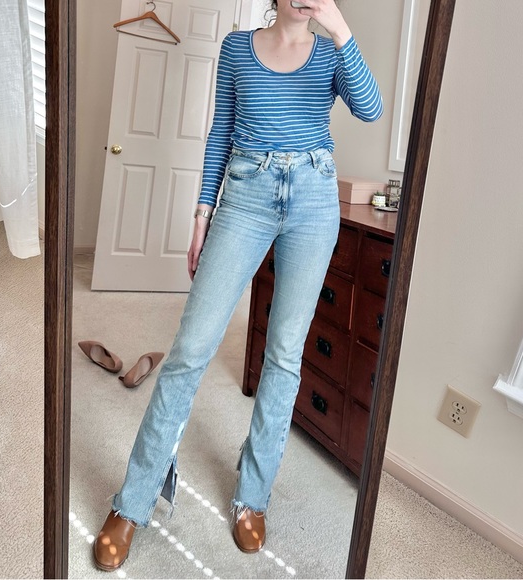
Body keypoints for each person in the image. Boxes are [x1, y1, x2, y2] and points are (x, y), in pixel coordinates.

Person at [93, 0, 382, 571]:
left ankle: (253, 495)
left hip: (314, 199)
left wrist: (339, 25)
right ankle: (133, 501)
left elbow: (370, 109)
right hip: (246, 195)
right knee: (190, 350)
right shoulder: (236, 48)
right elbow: (220, 132)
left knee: (284, 355)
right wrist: (202, 216)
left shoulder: (332, 51)